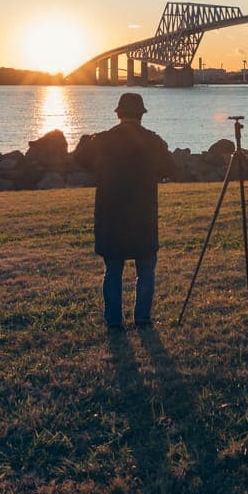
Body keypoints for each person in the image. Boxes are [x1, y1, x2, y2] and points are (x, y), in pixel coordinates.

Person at [74, 93, 176, 331]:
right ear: (141, 114)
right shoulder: (153, 140)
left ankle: (114, 321)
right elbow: (170, 168)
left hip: (111, 214)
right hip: (143, 214)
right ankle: (142, 319)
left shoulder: (102, 140)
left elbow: (80, 160)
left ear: (119, 114)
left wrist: (87, 144)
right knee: (146, 269)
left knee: (112, 270)